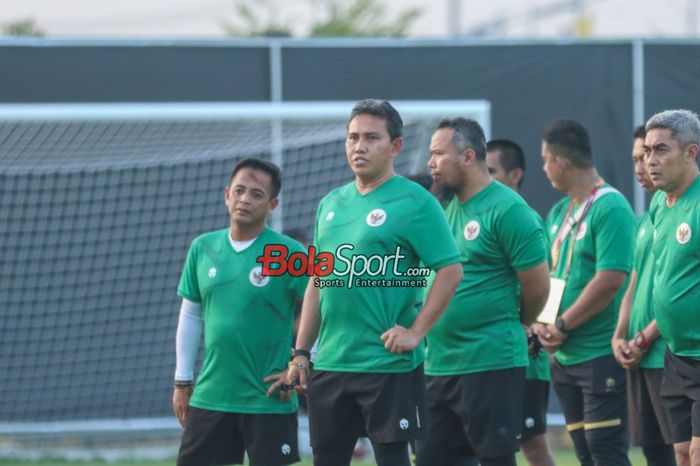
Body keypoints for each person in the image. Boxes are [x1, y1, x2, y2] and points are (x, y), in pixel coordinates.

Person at [286, 99, 463, 466]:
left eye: (371, 137)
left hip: (388, 364)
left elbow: (450, 271)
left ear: (395, 146)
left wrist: (416, 332)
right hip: (332, 362)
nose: (359, 146)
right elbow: (318, 282)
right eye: (352, 137)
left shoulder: (417, 202)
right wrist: (302, 352)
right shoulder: (330, 204)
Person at [415, 118, 550, 466]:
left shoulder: (509, 210)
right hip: (439, 365)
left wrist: (515, 321)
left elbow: (538, 287)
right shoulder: (444, 209)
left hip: (490, 362)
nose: (430, 163)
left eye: (438, 154)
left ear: (468, 156)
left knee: (495, 460)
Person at [172, 158, 307, 466]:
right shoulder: (202, 248)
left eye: (257, 194)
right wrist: (182, 381)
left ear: (272, 204)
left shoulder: (289, 253)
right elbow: (191, 315)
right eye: (240, 190)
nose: (245, 199)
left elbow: (322, 309)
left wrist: (302, 361)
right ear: (226, 194)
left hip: (269, 398)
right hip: (211, 396)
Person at [535, 118, 636, 466]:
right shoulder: (560, 212)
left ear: (560, 162)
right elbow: (552, 275)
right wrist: (544, 324)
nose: (544, 168)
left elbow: (610, 279)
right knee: (584, 453)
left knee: (604, 450)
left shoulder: (610, 207)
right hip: (564, 356)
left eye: (545, 159)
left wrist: (561, 325)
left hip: (598, 352)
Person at [485, 139, 556, 466]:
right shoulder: (483, 216)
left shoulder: (522, 219)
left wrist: (537, 329)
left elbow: (547, 283)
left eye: (491, 171)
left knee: (532, 446)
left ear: (515, 175)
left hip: (524, 358)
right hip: (491, 356)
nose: (484, 178)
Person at [611, 125, 676, 466]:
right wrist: (620, 335)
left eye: (650, 154)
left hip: (665, 352)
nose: (642, 166)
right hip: (637, 353)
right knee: (653, 451)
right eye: (637, 158)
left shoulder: (685, 211)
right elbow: (633, 285)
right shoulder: (646, 218)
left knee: (681, 449)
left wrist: (644, 338)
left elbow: (682, 291)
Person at [644, 109, 700, 466]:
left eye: (661, 150)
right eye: (648, 151)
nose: (651, 161)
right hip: (674, 354)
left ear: (691, 153)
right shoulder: (658, 205)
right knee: (679, 453)